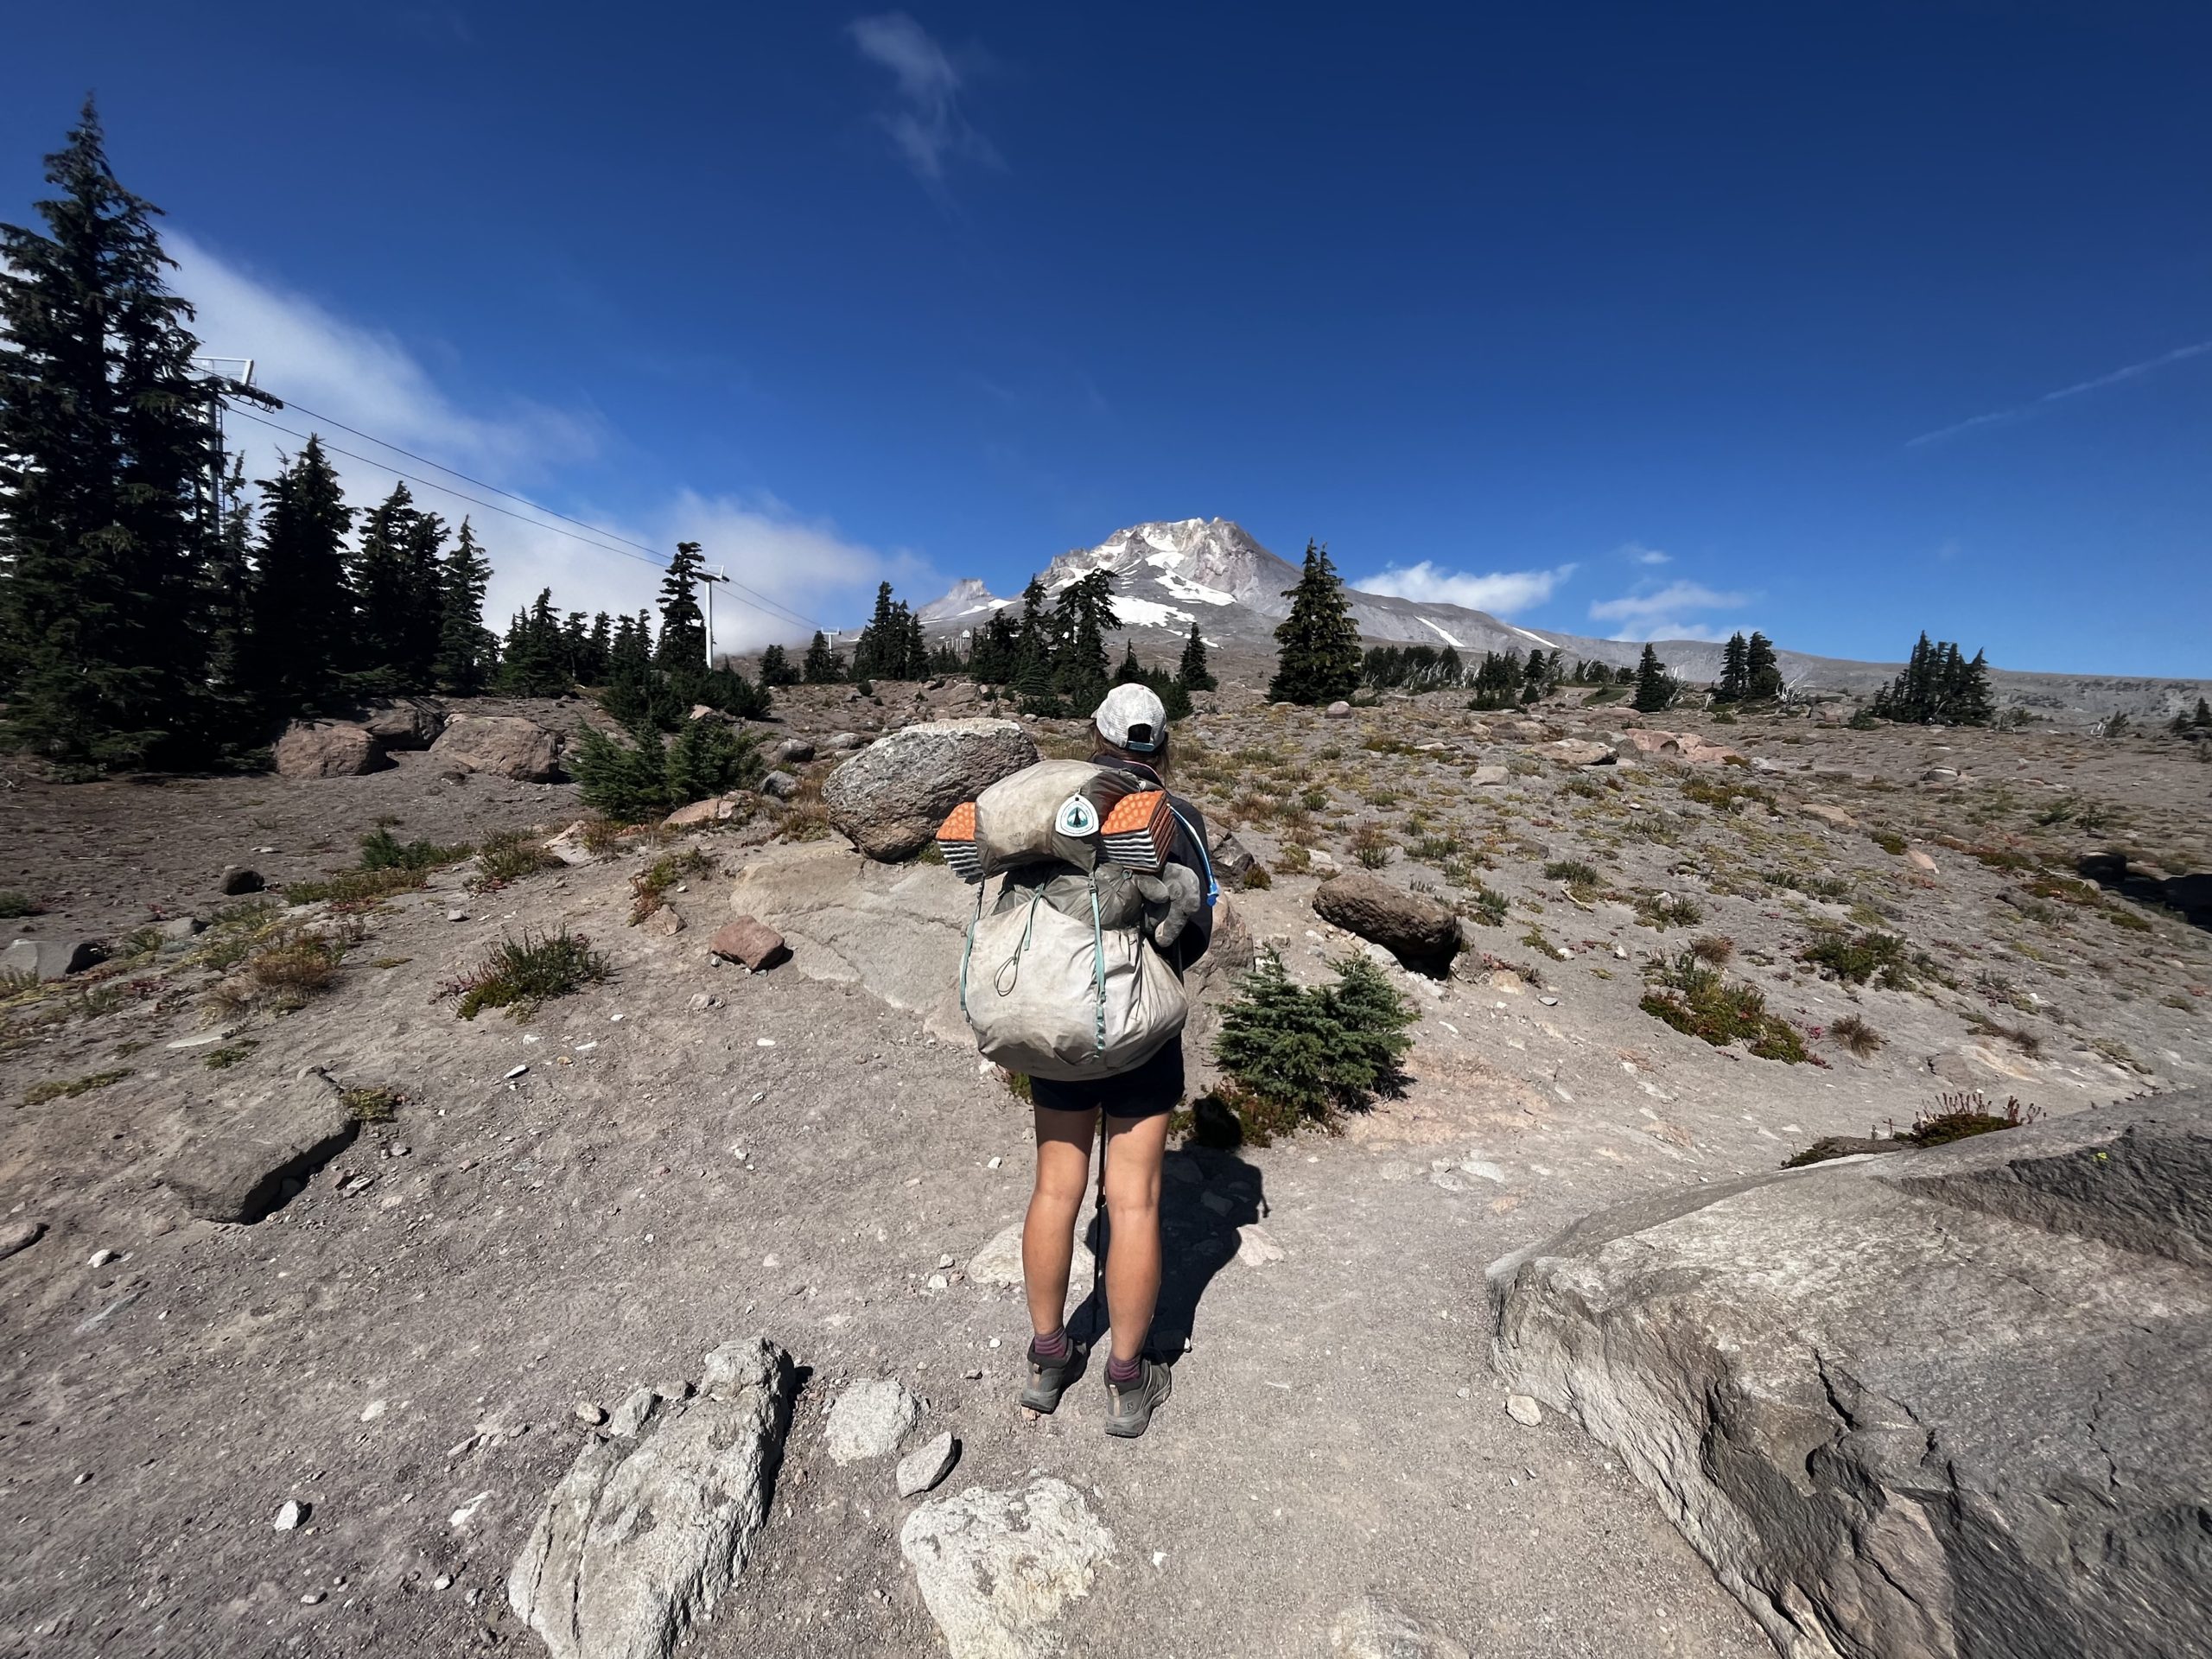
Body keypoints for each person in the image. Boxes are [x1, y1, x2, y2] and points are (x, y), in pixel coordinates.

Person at [1019, 681, 1213, 1439]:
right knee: (1132, 1201)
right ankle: (1128, 1382)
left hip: (1062, 1028)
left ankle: (1047, 1359)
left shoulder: (1051, 806)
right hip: (1139, 1033)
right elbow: (1193, 939)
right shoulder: (1179, 817)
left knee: (1054, 1189)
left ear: (1094, 734)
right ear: (1159, 746)